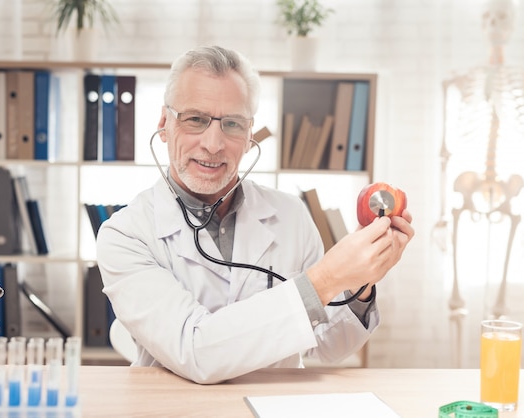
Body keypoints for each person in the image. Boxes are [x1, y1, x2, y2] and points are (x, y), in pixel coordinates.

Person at [96, 45, 414, 384]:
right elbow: (196, 352)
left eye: (232, 124)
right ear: (164, 124)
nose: (213, 143)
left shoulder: (291, 215)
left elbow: (326, 348)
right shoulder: (125, 235)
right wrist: (324, 280)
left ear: (249, 136)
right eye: (195, 119)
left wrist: (360, 280)